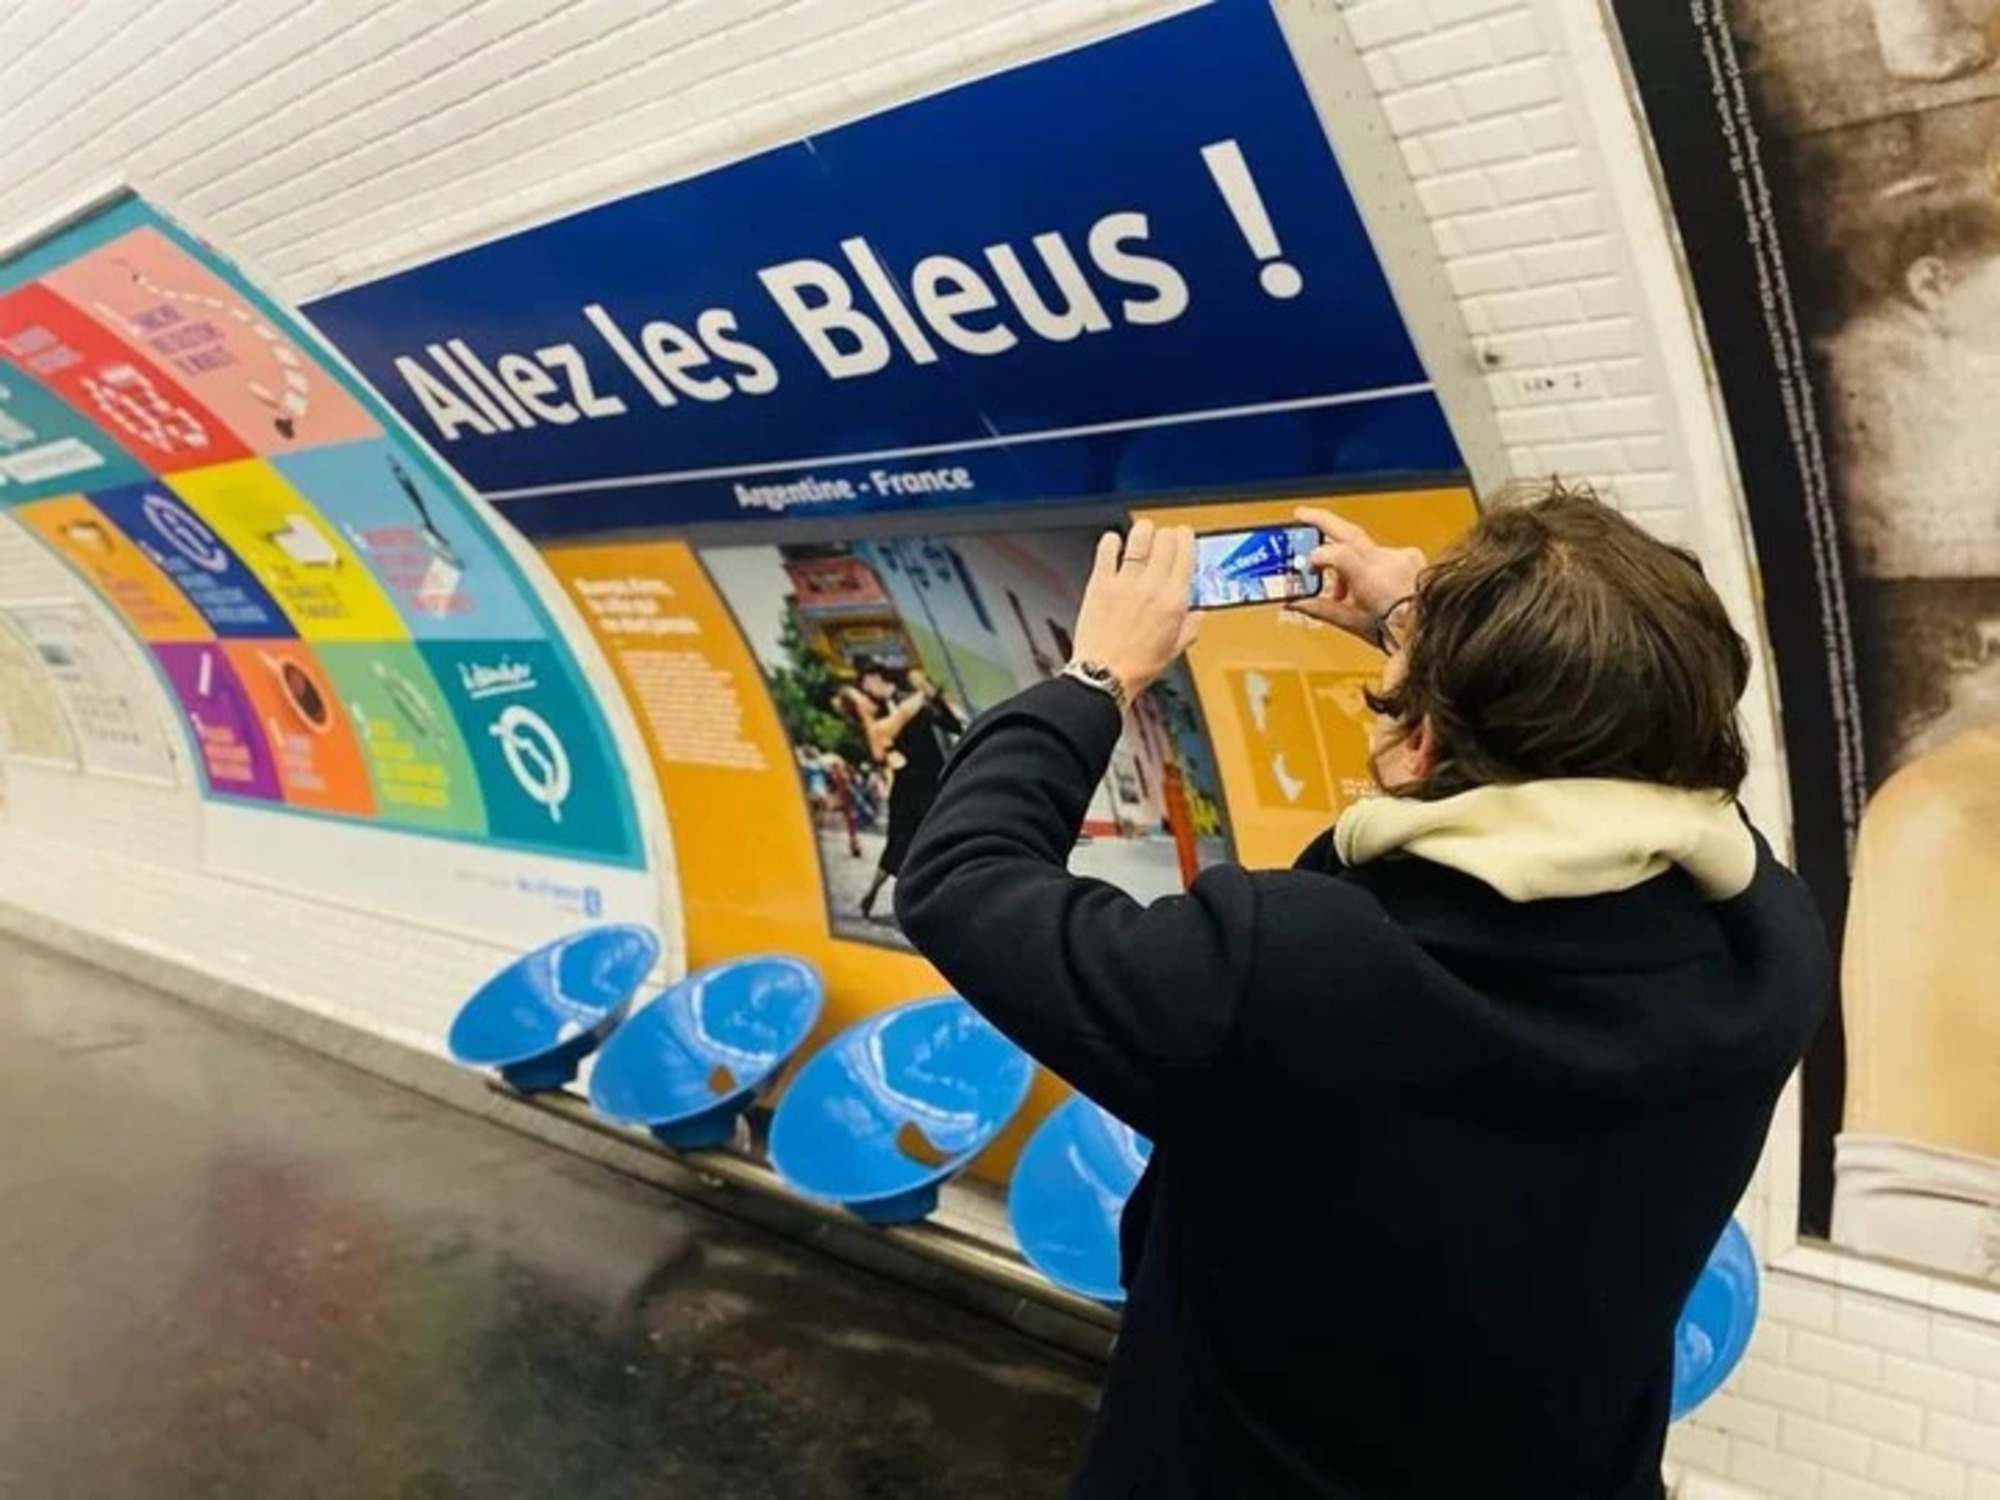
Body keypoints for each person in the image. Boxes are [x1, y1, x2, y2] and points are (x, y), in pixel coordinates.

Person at [894, 484, 1830, 1498]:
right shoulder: (1767, 949)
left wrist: (1096, 676)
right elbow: (1650, 769)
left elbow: (962, 876)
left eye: (1392, 683)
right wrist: (1422, 632)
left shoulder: (1284, 978)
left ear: (1418, 745)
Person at [843, 659, 964, 922]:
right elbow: (877, 747)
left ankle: (939, 897)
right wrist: (889, 755)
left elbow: (951, 724)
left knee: (937, 838)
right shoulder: (877, 712)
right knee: (897, 843)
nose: (866, 690)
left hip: (931, 782)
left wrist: (935, 698)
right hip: (905, 786)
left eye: (866, 683)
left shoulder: (910, 699)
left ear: (877, 678)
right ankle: (873, 893)